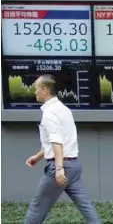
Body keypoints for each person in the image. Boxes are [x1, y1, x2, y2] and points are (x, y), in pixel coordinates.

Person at [24, 74, 102, 224]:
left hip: (59, 168)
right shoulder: (64, 109)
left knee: (37, 207)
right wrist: (39, 156)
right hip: (73, 165)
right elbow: (59, 140)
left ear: (45, 90)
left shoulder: (49, 113)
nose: (35, 92)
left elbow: (57, 142)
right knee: (85, 206)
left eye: (36, 89)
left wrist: (59, 169)